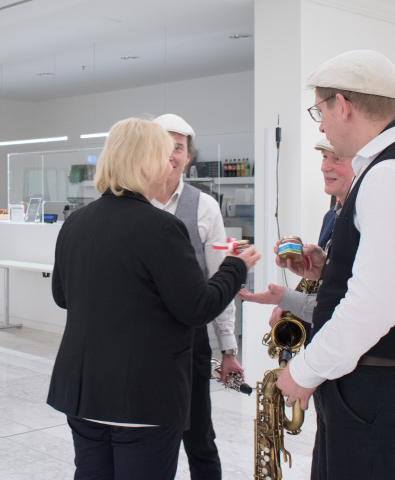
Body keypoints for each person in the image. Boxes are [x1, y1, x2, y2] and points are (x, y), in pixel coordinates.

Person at [47, 117, 260, 480]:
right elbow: (197, 307)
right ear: (146, 162)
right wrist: (235, 266)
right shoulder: (161, 227)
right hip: (142, 399)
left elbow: (62, 296)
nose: (170, 164)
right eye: (163, 155)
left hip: (83, 394)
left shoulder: (76, 222)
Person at [277, 50, 395, 480]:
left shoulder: (393, 175)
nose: (320, 124)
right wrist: (330, 269)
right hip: (367, 386)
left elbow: (374, 305)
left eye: (320, 110)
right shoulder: (389, 169)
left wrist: (304, 369)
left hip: (377, 390)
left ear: (344, 105)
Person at [152, 113, 240, 480]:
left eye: (179, 148)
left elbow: (221, 278)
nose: (171, 155)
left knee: (199, 435)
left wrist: (228, 351)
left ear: (188, 156)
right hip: (141, 345)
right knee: (152, 440)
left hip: (190, 345)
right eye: (164, 146)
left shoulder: (205, 207)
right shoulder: (131, 202)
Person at [237, 138, 354, 330]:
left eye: (337, 159)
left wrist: (289, 300)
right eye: (324, 157)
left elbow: (353, 300)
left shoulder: (362, 219)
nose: (325, 167)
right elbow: (339, 281)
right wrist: (322, 270)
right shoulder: (330, 217)